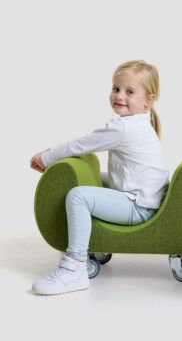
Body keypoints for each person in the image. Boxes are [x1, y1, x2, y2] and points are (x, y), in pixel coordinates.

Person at [30, 60, 169, 295]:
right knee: (94, 181)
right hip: (141, 197)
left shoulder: (123, 128)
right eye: (116, 88)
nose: (119, 96)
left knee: (78, 197)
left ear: (148, 100)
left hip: (138, 206)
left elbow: (82, 144)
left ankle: (74, 268)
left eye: (129, 91)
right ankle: (87, 250)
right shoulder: (136, 122)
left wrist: (46, 157)